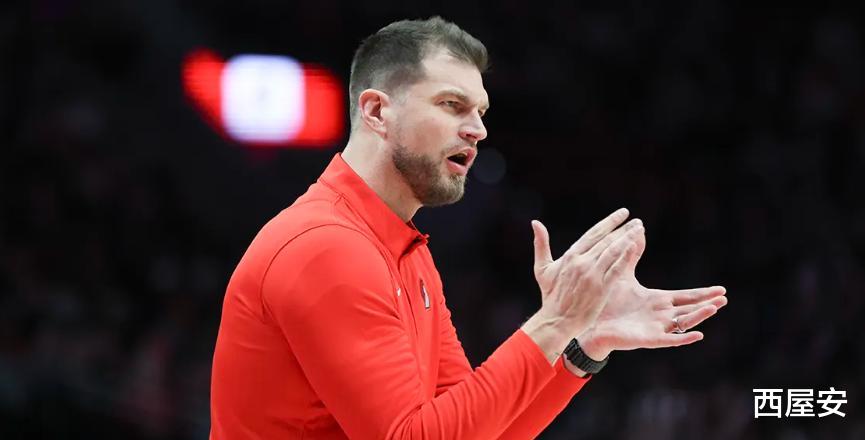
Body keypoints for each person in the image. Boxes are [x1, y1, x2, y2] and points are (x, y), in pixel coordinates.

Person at [209, 16, 728, 439]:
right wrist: (552, 322)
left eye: (480, 111)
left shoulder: (403, 249)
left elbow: (479, 431)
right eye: (452, 105)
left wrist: (582, 342)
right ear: (376, 111)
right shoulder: (325, 248)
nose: (478, 129)